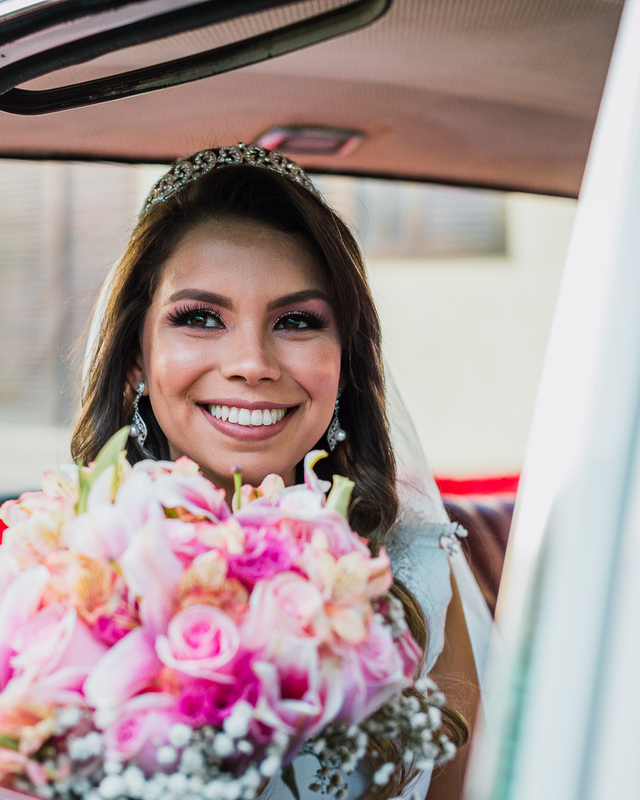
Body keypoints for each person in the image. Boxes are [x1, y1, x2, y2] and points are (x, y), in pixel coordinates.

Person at [72, 143, 479, 799]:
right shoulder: (61, 579)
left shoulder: (416, 574)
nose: (252, 362)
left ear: (343, 361)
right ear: (136, 358)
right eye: (201, 317)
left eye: (295, 321)